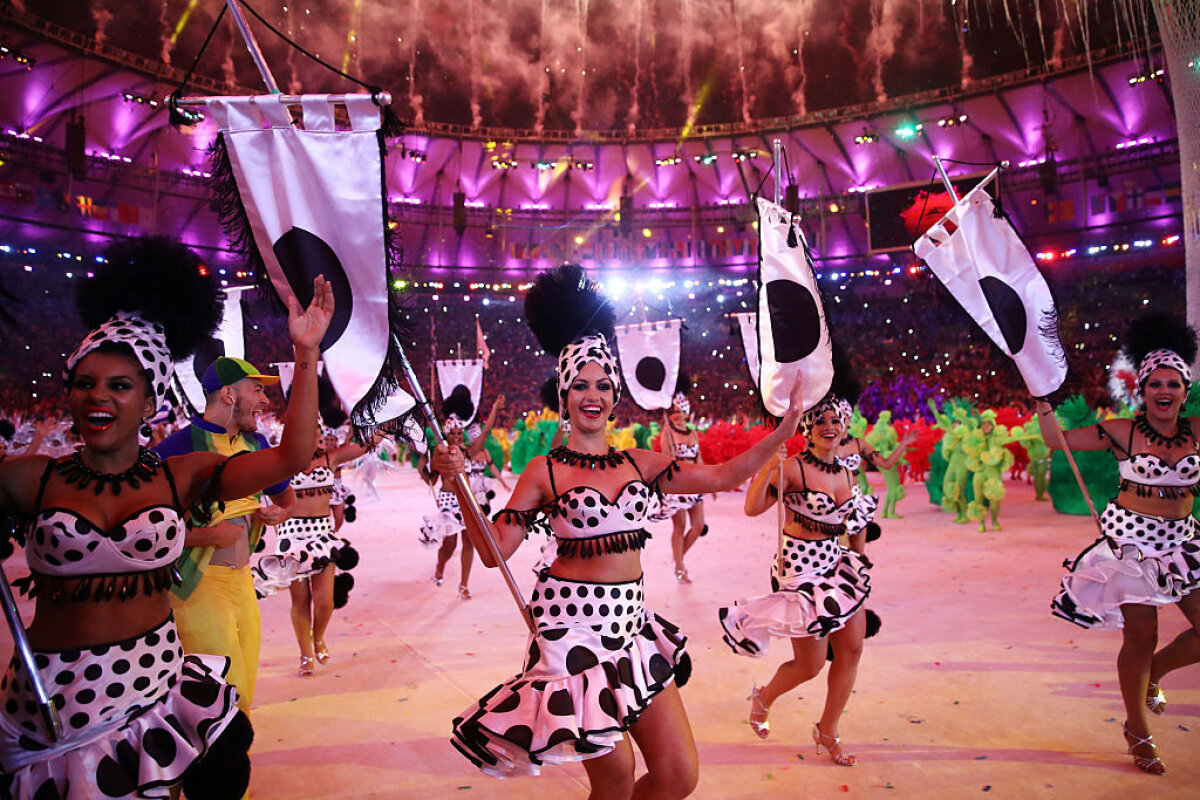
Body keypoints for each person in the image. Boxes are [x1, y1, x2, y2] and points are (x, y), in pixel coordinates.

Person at [433, 264, 803, 797]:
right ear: (564, 394)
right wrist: (462, 485)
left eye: (604, 384)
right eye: (581, 384)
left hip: (632, 630)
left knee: (678, 776)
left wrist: (782, 433)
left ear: (615, 395)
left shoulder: (641, 464)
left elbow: (724, 475)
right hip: (571, 638)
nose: (594, 394)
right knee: (615, 782)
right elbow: (494, 553)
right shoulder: (545, 471)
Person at [0, 236, 332, 799]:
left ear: (149, 399)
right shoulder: (30, 478)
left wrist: (305, 355)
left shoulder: (182, 475)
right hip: (51, 704)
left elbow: (292, 459)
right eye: (85, 383)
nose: (96, 396)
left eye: (119, 385)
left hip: (153, 691)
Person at [1038, 313, 1200, 776]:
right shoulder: (1121, 431)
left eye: (1173, 384)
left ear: (1185, 390)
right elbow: (1056, 442)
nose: (1164, 392)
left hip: (1183, 544)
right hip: (1130, 547)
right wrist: (1041, 396)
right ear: (1142, 389)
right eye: (1155, 385)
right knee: (1141, 636)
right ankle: (1137, 728)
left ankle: (1159, 675)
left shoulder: (1198, 431)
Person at [719, 391, 873, 767]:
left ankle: (828, 729)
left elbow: (854, 522)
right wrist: (772, 461)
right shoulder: (794, 468)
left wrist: (859, 560)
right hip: (801, 573)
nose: (829, 428)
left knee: (851, 650)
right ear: (807, 426)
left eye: (835, 421)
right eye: (820, 421)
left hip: (837, 568)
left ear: (845, 426)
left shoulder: (847, 470)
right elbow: (753, 507)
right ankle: (764, 697)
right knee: (811, 664)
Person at [154, 356, 296, 714]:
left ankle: (231, 765)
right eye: (258, 390)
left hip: (243, 582)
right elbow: (140, 528)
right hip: (196, 586)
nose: (266, 400)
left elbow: (286, 494)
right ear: (229, 394)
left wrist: (281, 511)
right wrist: (202, 537)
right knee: (220, 695)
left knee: (244, 689)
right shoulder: (176, 448)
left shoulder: (257, 443)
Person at [252, 430, 378, 676]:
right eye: (311, 434)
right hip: (292, 538)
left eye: (318, 435)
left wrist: (386, 424)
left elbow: (364, 446)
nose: (317, 440)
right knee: (300, 601)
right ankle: (305, 654)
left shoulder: (331, 459)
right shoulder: (283, 461)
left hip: (322, 536)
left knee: (325, 602)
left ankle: (318, 636)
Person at [657, 380, 707, 584]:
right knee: (679, 527)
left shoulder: (693, 432)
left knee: (698, 525)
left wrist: (708, 482)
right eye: (678, 408)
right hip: (677, 484)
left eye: (684, 408)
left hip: (694, 483)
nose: (681, 412)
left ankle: (678, 558)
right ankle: (680, 566)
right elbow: (666, 458)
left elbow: (699, 458)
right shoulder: (667, 431)